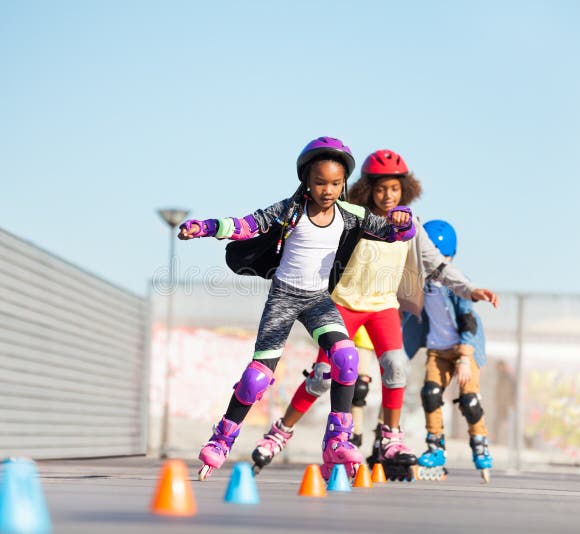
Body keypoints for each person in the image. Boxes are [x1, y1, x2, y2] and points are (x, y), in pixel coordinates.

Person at [250, 149, 498, 481]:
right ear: (368, 189)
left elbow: (437, 264)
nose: (387, 196)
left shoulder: (412, 226)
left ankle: (390, 437)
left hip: (383, 309)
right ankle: (281, 431)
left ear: (405, 190)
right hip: (344, 305)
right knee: (323, 376)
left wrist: (469, 289)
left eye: (394, 189)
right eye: (380, 189)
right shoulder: (352, 216)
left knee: (396, 366)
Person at [178, 137, 416, 480]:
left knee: (346, 358)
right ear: (306, 179)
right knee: (257, 378)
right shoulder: (289, 211)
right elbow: (245, 225)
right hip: (284, 298)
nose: (328, 190)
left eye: (336, 183)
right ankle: (221, 440)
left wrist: (403, 221)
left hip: (318, 299)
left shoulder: (349, 214)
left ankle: (337, 438)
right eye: (320, 183)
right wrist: (205, 228)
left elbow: (393, 233)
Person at [402, 219, 493, 482]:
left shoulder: (457, 282)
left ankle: (480, 443)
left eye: (442, 258)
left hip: (465, 348)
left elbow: (468, 320)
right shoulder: (418, 282)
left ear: (450, 257)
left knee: (469, 399)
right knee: (430, 393)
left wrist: (465, 359)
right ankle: (435, 446)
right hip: (438, 349)